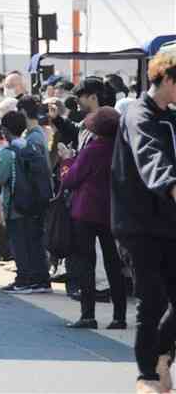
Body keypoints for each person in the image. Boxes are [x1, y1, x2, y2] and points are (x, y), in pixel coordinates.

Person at [111, 52, 176, 394]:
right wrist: (170, 184)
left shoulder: (172, 117)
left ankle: (162, 353)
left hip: (169, 223)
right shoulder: (138, 113)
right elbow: (150, 155)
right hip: (138, 223)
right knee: (150, 300)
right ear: (166, 78)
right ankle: (147, 375)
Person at [60, 106, 127, 331]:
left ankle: (88, 314)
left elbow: (70, 180)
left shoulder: (92, 150)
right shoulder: (123, 150)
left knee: (86, 263)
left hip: (86, 211)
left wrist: (67, 162)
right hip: (113, 212)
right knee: (113, 263)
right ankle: (119, 316)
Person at [0, 111, 52, 294]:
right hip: (35, 203)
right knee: (35, 242)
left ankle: (23, 280)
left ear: (4, 130)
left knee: (19, 243)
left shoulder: (8, 152)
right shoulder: (31, 147)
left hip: (16, 205)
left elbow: (0, 178)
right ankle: (41, 280)